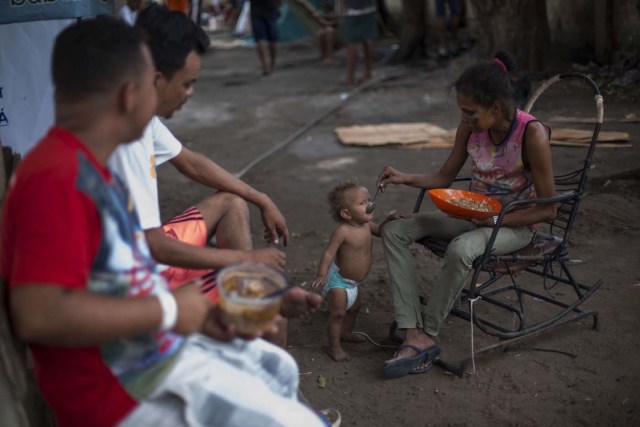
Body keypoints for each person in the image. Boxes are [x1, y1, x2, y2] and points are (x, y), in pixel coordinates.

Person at [0, 17, 326, 427]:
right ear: (131, 94)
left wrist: (209, 318)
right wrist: (170, 310)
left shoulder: (88, 169)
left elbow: (122, 283)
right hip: (119, 393)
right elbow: (38, 314)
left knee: (277, 367)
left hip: (145, 361)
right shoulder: (56, 179)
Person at [377, 51, 556, 378]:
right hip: (473, 215)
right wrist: (405, 176)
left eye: (470, 113)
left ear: (497, 108)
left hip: (515, 224)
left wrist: (496, 220)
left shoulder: (532, 135)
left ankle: (427, 333)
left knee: (462, 248)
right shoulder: (470, 128)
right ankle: (410, 327)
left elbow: (548, 208)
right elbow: (445, 177)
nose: (464, 119)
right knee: (395, 230)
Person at [109, 5, 288, 311]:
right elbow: (153, 247)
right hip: (133, 279)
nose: (190, 93)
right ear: (157, 78)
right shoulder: (122, 140)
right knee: (266, 300)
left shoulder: (139, 116)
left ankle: (240, 305)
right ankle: (243, 312)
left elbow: (190, 162)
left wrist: (261, 198)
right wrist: (245, 260)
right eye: (187, 83)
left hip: (142, 250)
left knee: (233, 201)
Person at [311, 180, 405, 362]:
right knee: (337, 314)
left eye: (369, 200)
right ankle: (334, 347)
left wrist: (389, 219)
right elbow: (329, 253)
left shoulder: (367, 226)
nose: (370, 205)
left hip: (354, 283)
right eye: (362, 203)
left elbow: (380, 231)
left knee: (354, 308)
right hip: (338, 282)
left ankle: (346, 333)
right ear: (346, 213)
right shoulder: (343, 231)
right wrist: (321, 275)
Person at [340, 0, 378, 85]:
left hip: (353, 11)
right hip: (369, 9)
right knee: (368, 39)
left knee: (351, 43)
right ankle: (368, 74)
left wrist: (342, 11)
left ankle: (350, 77)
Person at [248, 0, 281, 75]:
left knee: (260, 39)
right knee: (272, 39)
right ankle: (272, 64)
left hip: (256, 10)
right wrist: (278, 7)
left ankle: (265, 66)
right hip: (270, 8)